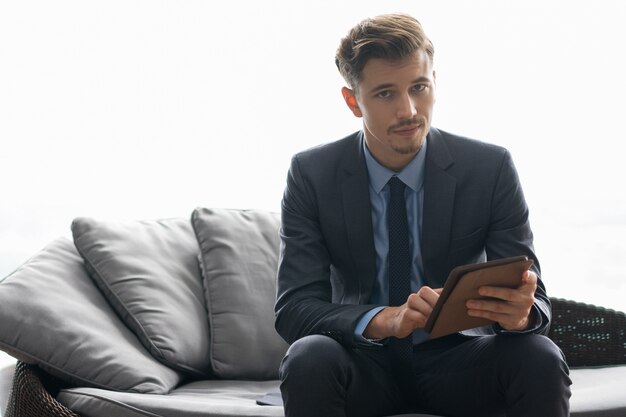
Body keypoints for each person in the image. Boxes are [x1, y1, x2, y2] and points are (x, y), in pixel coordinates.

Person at [274, 13, 571, 417]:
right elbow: (294, 309)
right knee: (308, 355)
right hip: (363, 363)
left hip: (460, 360)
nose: (409, 110)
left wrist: (521, 315)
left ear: (434, 82)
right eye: (385, 94)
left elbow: (535, 302)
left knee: (539, 355)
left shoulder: (489, 168)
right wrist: (384, 320)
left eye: (419, 87)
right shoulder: (312, 173)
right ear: (352, 101)